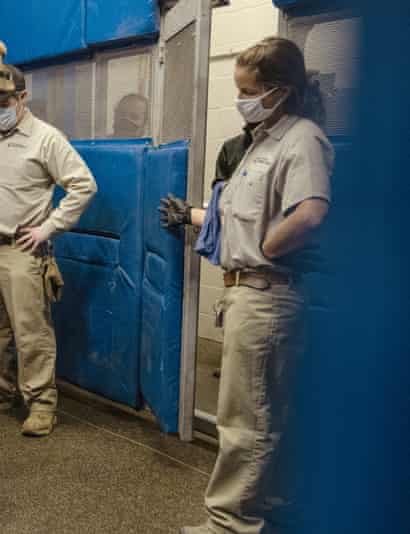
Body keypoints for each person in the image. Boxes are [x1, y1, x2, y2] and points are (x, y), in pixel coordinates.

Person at [160, 37, 333, 534]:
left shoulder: (302, 139)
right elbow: (235, 216)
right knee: (262, 412)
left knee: (244, 421)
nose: (241, 100)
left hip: (265, 294)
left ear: (280, 91)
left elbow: (311, 211)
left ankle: (229, 523)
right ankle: (265, 502)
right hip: (248, 294)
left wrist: (269, 248)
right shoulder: (260, 141)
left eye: (248, 90)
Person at [0, 65, 97, 437]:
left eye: (4, 101)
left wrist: (49, 227)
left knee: (31, 331)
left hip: (22, 250)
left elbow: (84, 185)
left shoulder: (46, 139)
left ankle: (41, 403)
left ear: (22, 97)